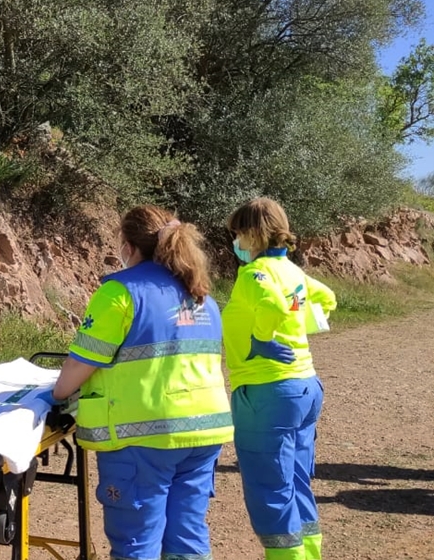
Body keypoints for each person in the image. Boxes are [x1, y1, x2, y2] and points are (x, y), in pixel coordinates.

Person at [51, 205, 233, 560]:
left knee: (136, 542)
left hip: (144, 436)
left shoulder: (121, 292)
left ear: (128, 246)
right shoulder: (201, 294)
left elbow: (79, 364)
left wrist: (58, 393)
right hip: (205, 432)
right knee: (188, 539)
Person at [223, 197, 336, 560]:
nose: (235, 241)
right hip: (305, 386)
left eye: (238, 232)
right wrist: (298, 325)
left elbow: (271, 304)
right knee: (296, 480)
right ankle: (309, 553)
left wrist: (262, 339)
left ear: (253, 234)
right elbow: (328, 298)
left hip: (267, 391)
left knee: (269, 487)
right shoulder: (292, 271)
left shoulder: (254, 274)